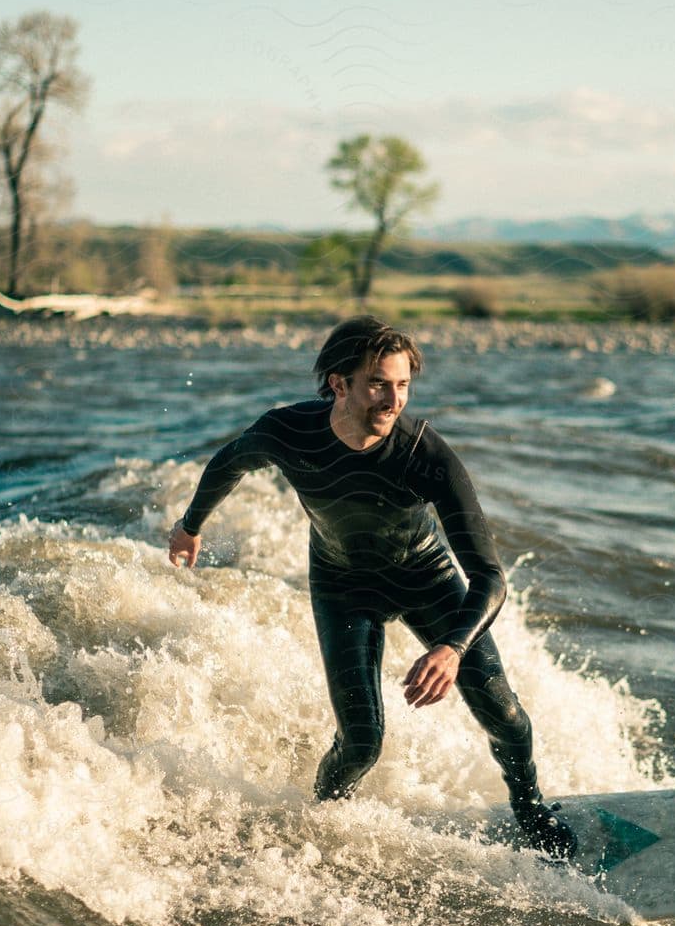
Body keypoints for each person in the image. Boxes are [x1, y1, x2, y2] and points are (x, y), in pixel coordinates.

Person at [167, 315, 576, 861]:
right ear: (339, 384)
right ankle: (322, 824)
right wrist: (191, 525)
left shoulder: (424, 455)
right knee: (361, 743)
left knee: (503, 713)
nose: (393, 398)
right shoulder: (287, 431)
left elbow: (490, 577)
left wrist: (452, 648)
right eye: (379, 383)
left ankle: (530, 810)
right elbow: (231, 460)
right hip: (342, 585)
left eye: (403, 384)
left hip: (426, 579)